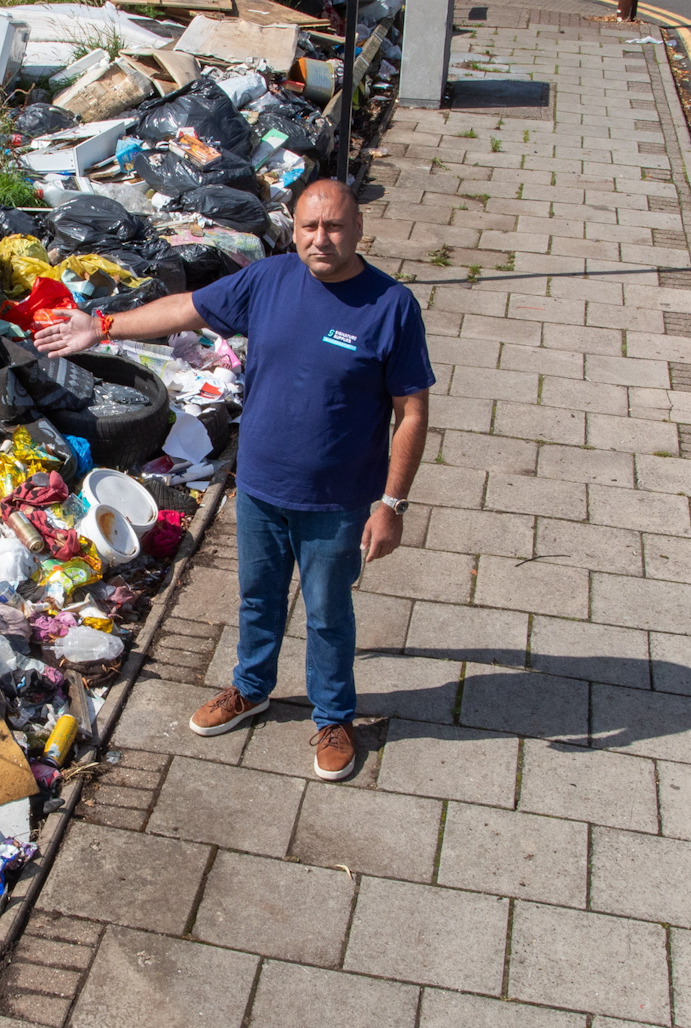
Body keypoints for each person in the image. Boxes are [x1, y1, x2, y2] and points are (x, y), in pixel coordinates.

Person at [34, 179, 433, 781]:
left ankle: (333, 715)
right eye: (308, 227)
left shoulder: (391, 306)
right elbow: (185, 307)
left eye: (334, 227)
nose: (320, 239)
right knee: (257, 597)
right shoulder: (268, 281)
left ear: (358, 230)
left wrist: (392, 503)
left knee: (327, 611)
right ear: (294, 228)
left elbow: (413, 413)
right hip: (261, 486)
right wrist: (102, 326)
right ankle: (251, 687)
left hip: (337, 499)